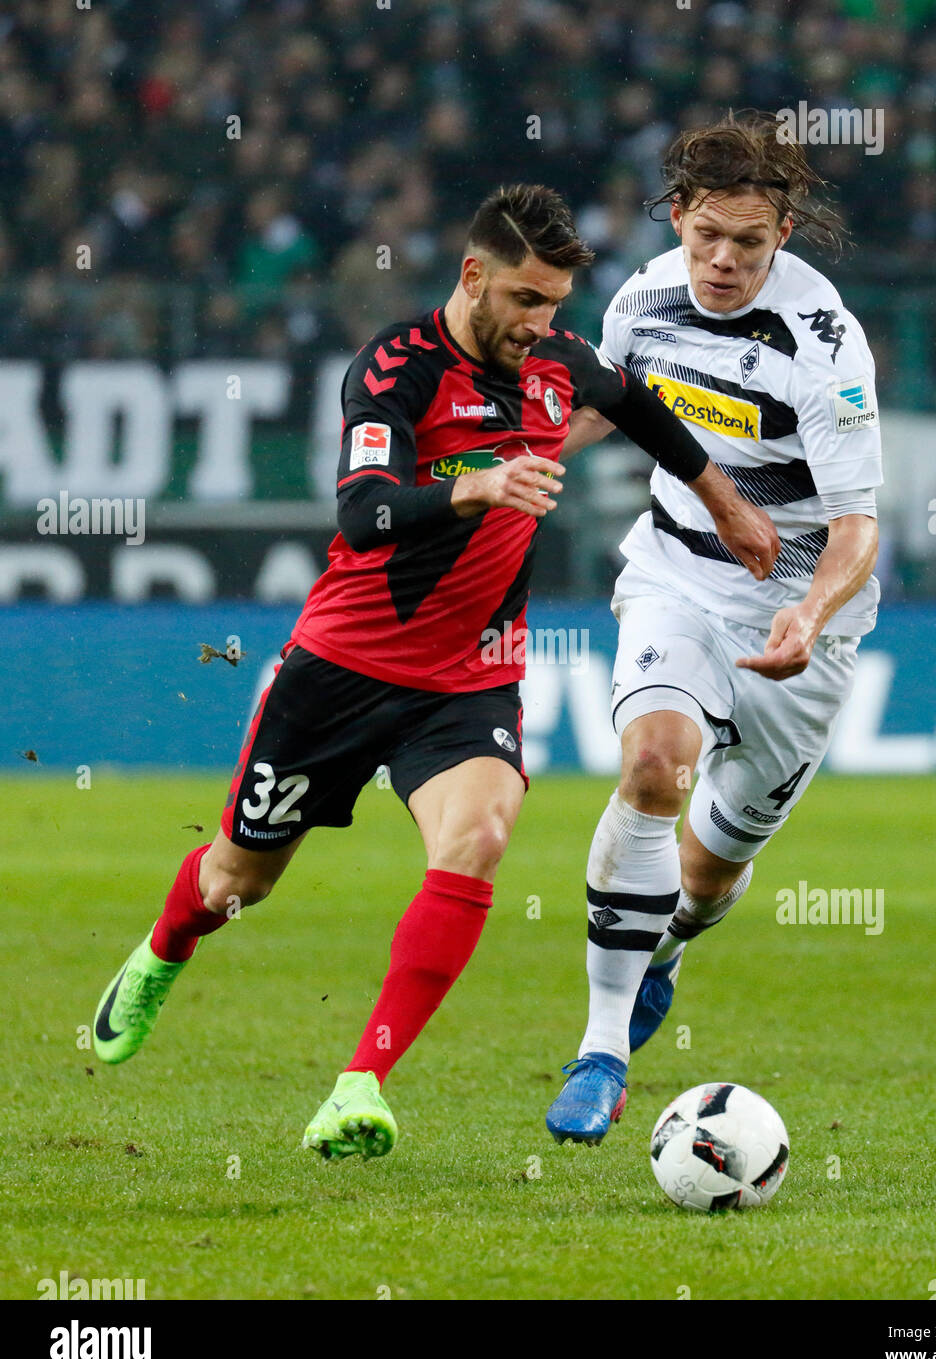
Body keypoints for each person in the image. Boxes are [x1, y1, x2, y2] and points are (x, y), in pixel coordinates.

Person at [92, 183, 776, 1161]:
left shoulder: (557, 364)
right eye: (525, 300)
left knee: (480, 838)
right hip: (339, 668)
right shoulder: (395, 370)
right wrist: (481, 485)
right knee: (237, 879)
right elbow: (362, 513)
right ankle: (164, 948)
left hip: (467, 679)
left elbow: (643, 410)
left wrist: (722, 501)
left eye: (553, 304)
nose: (541, 323)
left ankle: (359, 1082)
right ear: (472, 276)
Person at [545, 117, 882, 1144]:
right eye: (705, 239)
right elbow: (600, 407)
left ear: (782, 229)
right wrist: (492, 453)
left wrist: (807, 611)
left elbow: (857, 526)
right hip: (676, 574)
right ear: (677, 218)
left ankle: (672, 944)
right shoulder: (642, 297)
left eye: (748, 241)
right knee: (652, 766)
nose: (723, 262)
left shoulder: (821, 342)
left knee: (705, 873)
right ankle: (601, 1051)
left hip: (798, 616)